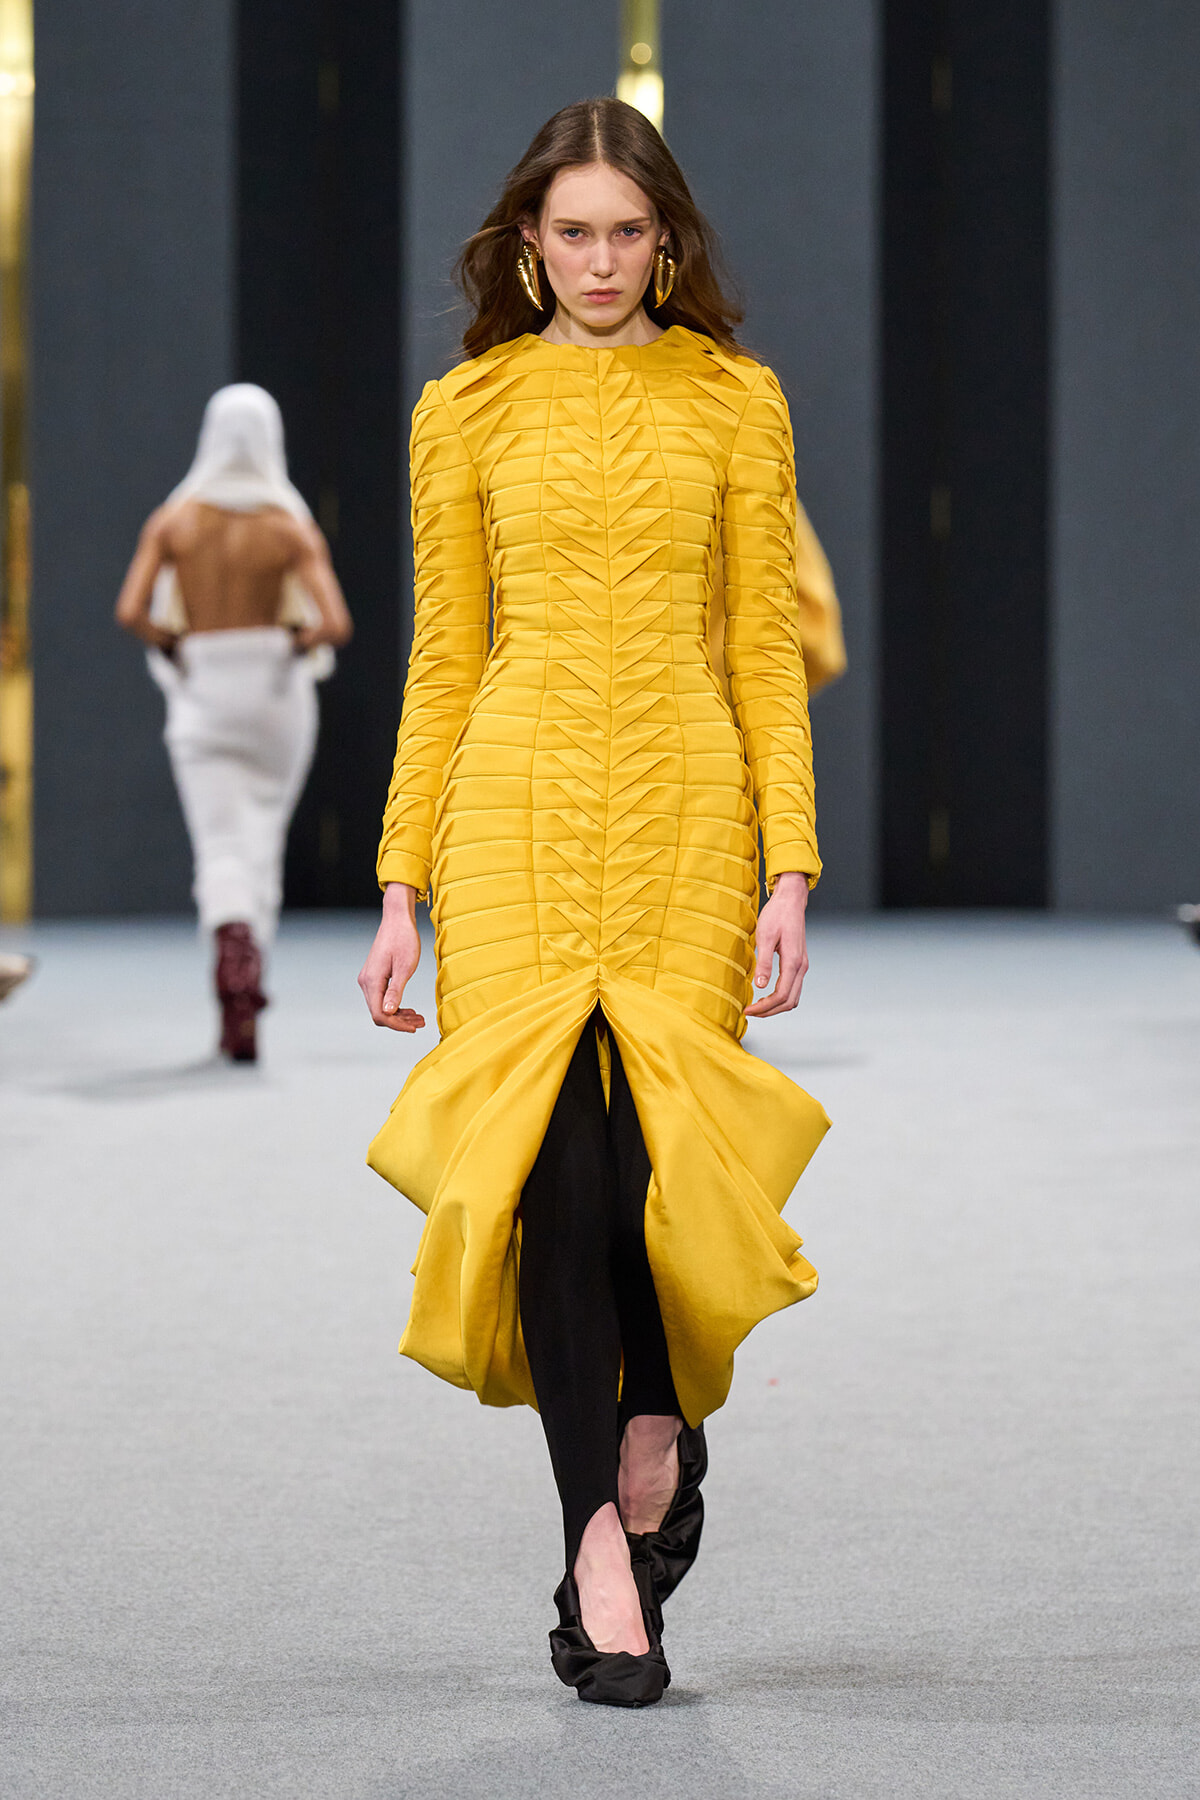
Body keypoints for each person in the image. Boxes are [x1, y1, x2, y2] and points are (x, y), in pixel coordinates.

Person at [358, 98, 829, 1708]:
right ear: (526, 246)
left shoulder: (739, 404)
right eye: (574, 232)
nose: (604, 260)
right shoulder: (467, 408)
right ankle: (596, 1544)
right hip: (508, 824)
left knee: (646, 1164)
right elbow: (444, 660)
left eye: (630, 231)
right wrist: (402, 878)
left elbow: (764, 649)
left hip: (692, 820)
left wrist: (790, 866)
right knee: (555, 1171)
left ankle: (655, 1421)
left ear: (669, 241)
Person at [116, 386, 352, 1061]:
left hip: (206, 685)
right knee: (262, 842)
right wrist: (292, 642)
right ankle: (254, 972)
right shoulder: (289, 528)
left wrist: (174, 644)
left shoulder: (174, 523)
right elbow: (333, 623)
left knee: (219, 845)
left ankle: (231, 951)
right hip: (275, 688)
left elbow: (132, 610)